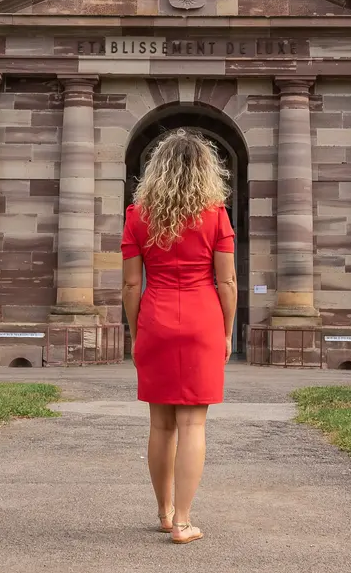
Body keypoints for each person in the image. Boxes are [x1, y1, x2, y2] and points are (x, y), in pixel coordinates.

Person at [121, 129, 238, 545]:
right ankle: (185, 521)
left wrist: (137, 333)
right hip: (202, 320)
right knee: (193, 423)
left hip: (156, 319)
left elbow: (132, 287)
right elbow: (226, 283)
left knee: (160, 424)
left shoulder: (138, 216)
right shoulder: (216, 215)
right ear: (207, 171)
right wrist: (226, 333)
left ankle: (164, 512)